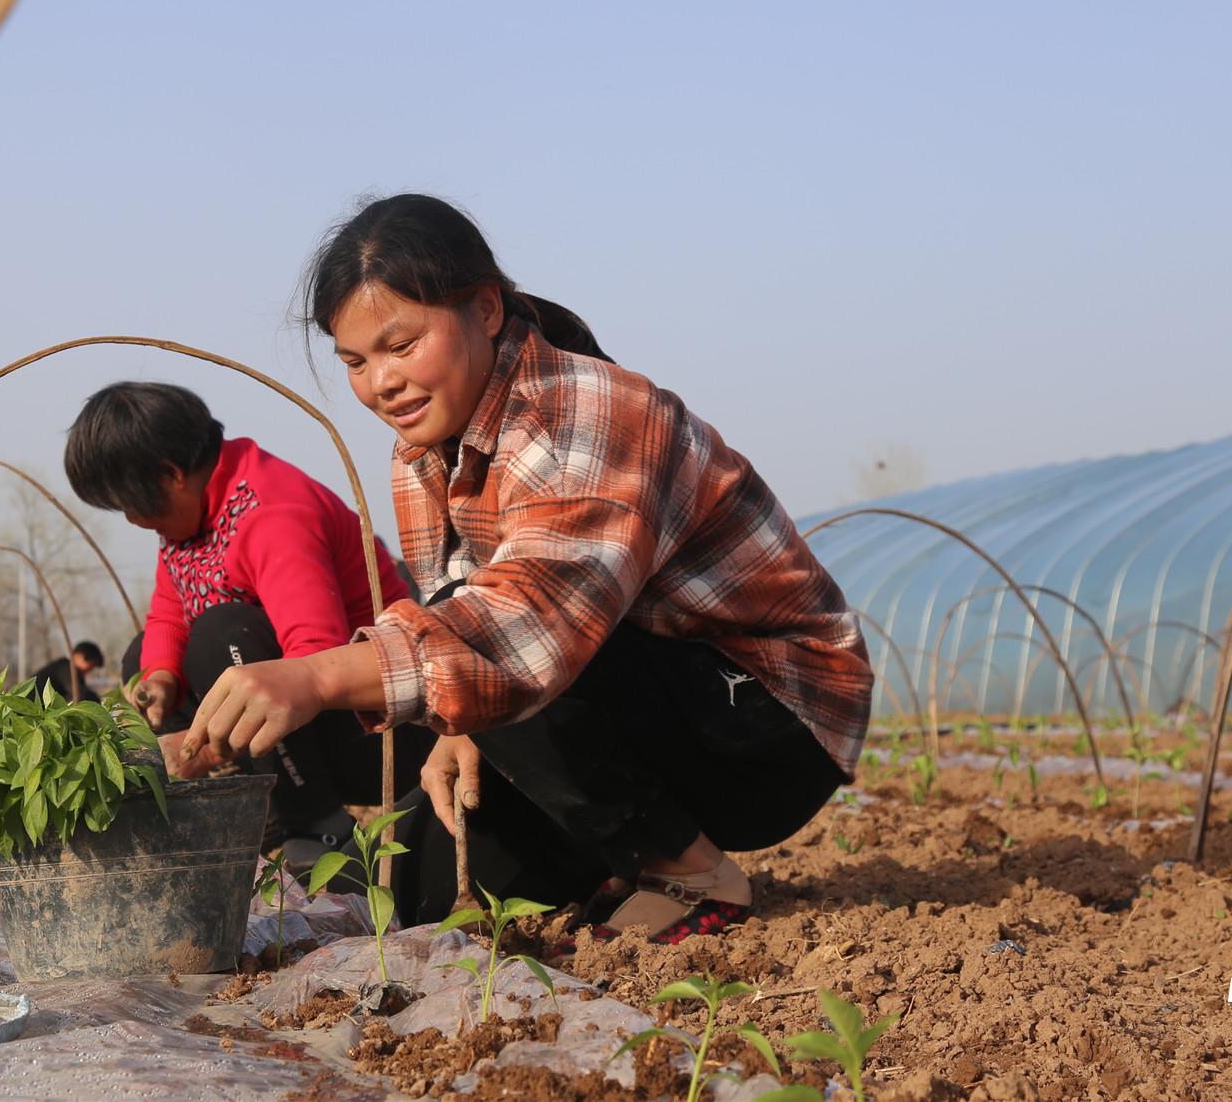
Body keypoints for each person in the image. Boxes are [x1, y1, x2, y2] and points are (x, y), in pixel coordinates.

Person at [177, 194, 875, 943]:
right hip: (620, 691)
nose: (380, 382)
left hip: (764, 719)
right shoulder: (424, 448)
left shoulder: (586, 414)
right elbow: (462, 591)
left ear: (484, 309)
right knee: (426, 884)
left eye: (401, 344)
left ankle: (697, 873)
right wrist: (464, 731)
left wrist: (311, 676)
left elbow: (520, 625)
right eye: (356, 361)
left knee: (481, 628)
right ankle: (622, 855)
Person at [63, 382, 431, 860]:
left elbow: (317, 659)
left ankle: (315, 827)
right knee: (145, 656)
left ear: (171, 474)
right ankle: (211, 815)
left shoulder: (271, 511)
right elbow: (169, 612)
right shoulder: (190, 516)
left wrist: (205, 751)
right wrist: (159, 679)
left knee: (224, 633)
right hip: (289, 729)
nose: (134, 520)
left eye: (133, 503)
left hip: (375, 729)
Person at [29, 640, 105, 703]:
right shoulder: (66, 667)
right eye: (90, 665)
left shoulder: (72, 671)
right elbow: (78, 694)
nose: (89, 670)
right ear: (78, 655)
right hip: (30, 709)